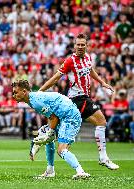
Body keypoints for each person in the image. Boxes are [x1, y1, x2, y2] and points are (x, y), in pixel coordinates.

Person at [37, 33, 119, 178]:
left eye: (83, 44)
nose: (80, 47)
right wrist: (40, 91)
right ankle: (103, 157)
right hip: (77, 99)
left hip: (80, 100)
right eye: (78, 44)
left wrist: (102, 83)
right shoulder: (70, 61)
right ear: (74, 46)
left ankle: (50, 169)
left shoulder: (87, 58)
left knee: (55, 136)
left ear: (86, 46)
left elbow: (91, 70)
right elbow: (56, 78)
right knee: (101, 121)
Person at [12, 79, 90, 179]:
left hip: (69, 116)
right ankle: (50, 171)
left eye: (15, 92)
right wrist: (49, 132)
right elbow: (51, 116)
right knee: (49, 137)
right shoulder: (32, 99)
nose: (13, 95)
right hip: (64, 116)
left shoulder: (35, 102)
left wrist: (50, 132)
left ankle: (81, 172)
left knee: (61, 150)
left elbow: (54, 118)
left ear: (23, 92)